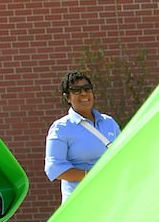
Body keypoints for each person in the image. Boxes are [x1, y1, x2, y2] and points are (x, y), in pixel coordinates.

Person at [44, 71, 121, 201]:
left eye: (87, 89)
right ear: (67, 97)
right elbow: (54, 168)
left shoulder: (109, 122)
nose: (83, 93)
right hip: (81, 202)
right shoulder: (61, 128)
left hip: (113, 197)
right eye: (76, 90)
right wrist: (92, 175)